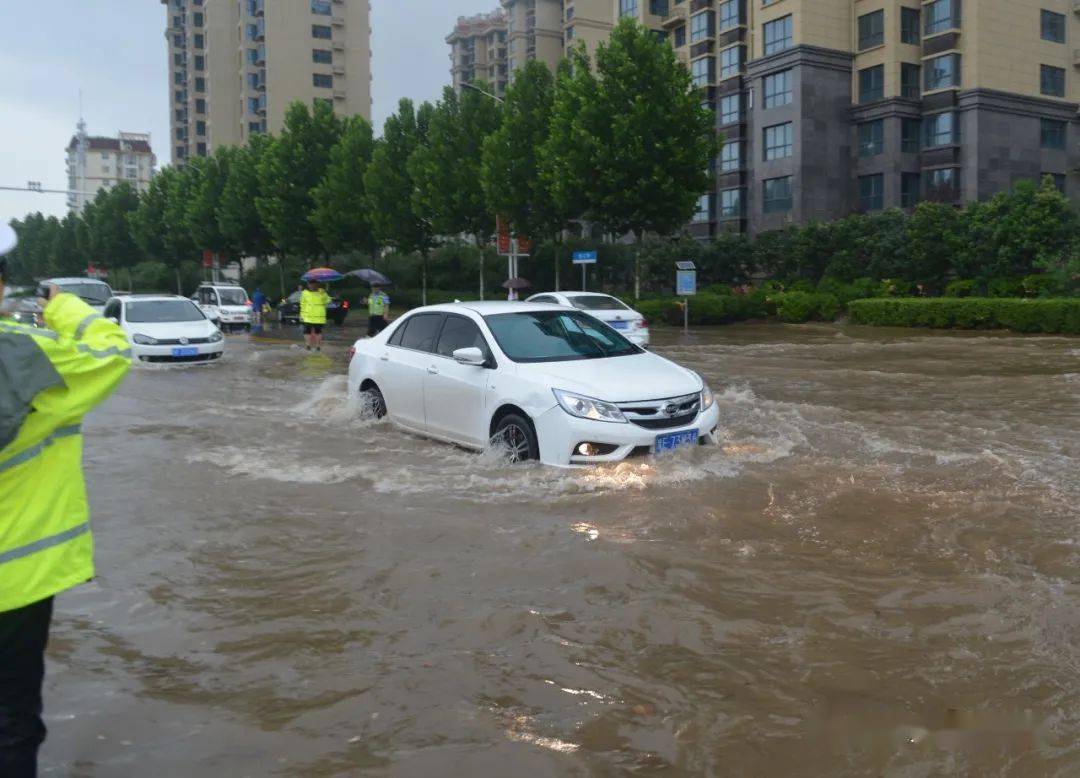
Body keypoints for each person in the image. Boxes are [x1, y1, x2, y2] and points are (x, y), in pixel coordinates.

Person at [0, 223, 131, 777]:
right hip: (15, 583)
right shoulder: (27, 356)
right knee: (11, 724)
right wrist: (66, 307)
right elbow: (113, 350)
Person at [300, 280, 330, 351]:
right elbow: (302, 304)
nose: (312, 285)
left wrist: (323, 294)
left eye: (314, 284)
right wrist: (302, 315)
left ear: (317, 284)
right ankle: (308, 345)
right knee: (306, 331)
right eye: (310, 284)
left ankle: (318, 346)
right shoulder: (305, 293)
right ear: (308, 285)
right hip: (308, 315)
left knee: (318, 331)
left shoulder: (322, 292)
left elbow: (327, 301)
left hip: (318, 316)